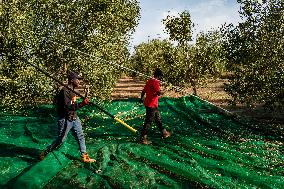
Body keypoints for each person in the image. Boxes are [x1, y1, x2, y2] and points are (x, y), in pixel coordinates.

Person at [39, 71, 95, 163]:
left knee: (80, 136)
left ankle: (84, 156)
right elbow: (67, 107)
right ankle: (46, 152)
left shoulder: (73, 91)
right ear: (72, 80)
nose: (79, 82)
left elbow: (72, 105)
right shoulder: (65, 91)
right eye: (78, 80)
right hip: (65, 119)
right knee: (60, 139)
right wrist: (81, 104)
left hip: (74, 117)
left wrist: (82, 103)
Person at [139, 68, 171, 145]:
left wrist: (141, 98)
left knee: (158, 118)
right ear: (159, 76)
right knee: (148, 122)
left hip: (148, 104)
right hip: (152, 105)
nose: (161, 78)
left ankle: (164, 132)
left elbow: (143, 91)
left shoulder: (149, 81)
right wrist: (166, 89)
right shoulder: (156, 82)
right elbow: (159, 93)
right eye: (161, 77)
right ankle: (143, 138)